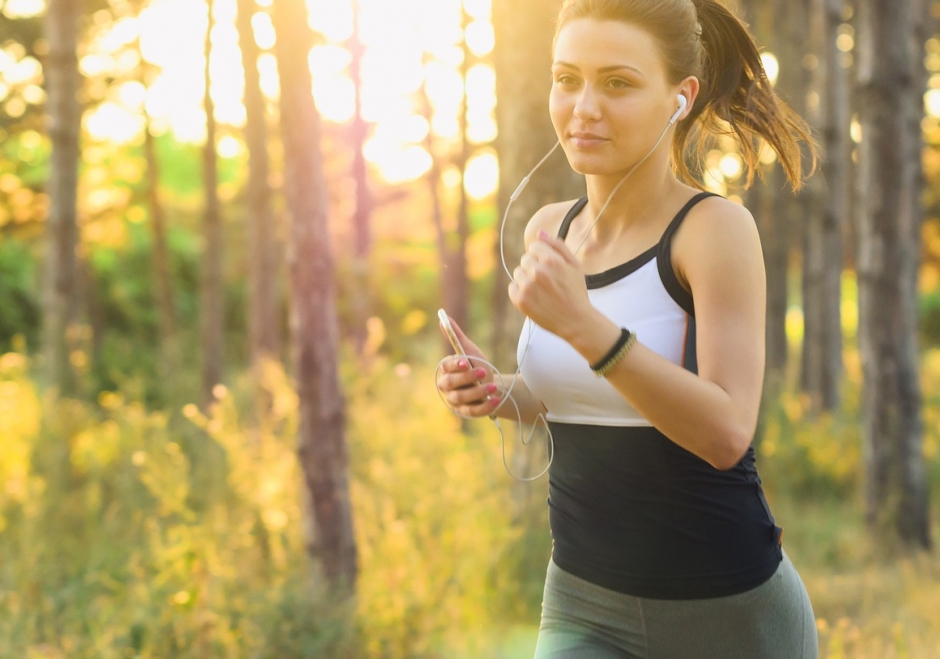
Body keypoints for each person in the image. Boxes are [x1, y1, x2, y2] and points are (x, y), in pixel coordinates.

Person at [436, 0, 819, 656]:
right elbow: (577, 393)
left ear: (680, 96)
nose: (584, 106)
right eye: (567, 79)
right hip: (583, 600)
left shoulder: (712, 232)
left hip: (727, 610)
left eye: (617, 82)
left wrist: (587, 327)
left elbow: (726, 431)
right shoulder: (548, 229)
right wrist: (500, 392)